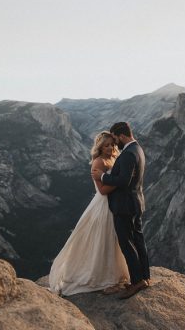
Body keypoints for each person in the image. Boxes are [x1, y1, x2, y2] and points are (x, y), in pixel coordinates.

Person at [49, 131, 129, 296]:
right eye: (106, 145)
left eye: (112, 145)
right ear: (99, 147)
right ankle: (98, 275)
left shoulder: (113, 158)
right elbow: (102, 190)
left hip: (113, 205)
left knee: (111, 240)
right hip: (102, 206)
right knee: (101, 239)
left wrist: (118, 180)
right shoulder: (98, 162)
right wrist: (121, 182)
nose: (110, 148)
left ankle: (111, 273)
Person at [91, 121, 150, 299]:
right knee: (138, 241)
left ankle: (137, 281)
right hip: (135, 203)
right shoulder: (138, 149)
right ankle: (145, 277)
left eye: (115, 140)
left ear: (122, 136)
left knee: (126, 243)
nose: (115, 144)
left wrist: (101, 176)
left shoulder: (127, 155)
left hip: (124, 206)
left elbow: (123, 181)